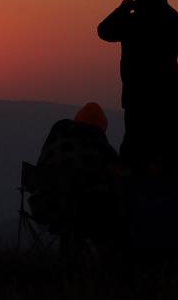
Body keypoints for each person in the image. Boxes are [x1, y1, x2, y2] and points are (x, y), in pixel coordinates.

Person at [96, 0, 178, 163]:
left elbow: (104, 30)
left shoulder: (133, 21)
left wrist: (124, 8)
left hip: (142, 98)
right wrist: (164, 6)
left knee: (138, 154)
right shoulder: (164, 20)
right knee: (168, 152)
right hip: (163, 97)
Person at [28, 102, 119, 252]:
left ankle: (73, 257)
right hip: (83, 210)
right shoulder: (99, 145)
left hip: (45, 205)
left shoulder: (56, 137)